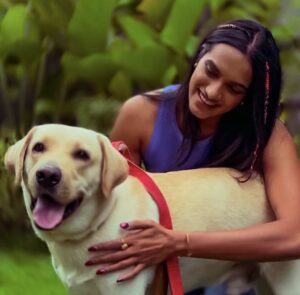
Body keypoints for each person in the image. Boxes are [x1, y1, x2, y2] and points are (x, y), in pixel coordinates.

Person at [85, 19, 300, 295]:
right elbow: (115, 209)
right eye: (211, 71)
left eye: (234, 89)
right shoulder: (140, 115)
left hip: (230, 264)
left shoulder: (265, 135)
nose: (212, 92)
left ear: (248, 97)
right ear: (199, 55)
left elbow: (294, 234)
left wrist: (180, 241)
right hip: (163, 263)